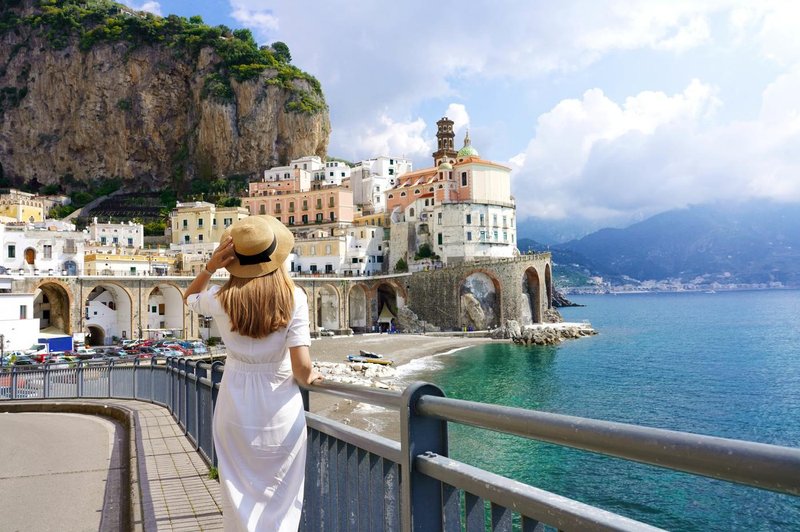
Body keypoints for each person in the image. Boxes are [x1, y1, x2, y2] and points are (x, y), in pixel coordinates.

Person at [183, 215, 322, 532]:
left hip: (233, 408)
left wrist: (210, 266)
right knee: (282, 502)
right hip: (279, 410)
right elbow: (302, 369)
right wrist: (315, 378)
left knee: (237, 501)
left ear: (233, 261)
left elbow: (189, 298)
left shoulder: (220, 299)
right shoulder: (294, 298)